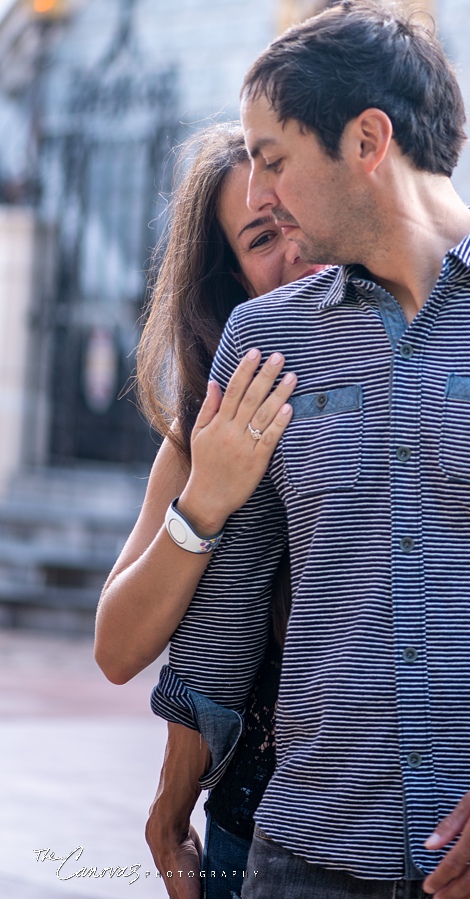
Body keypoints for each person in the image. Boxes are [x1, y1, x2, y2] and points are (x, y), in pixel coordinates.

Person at [148, 2, 470, 897]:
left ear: (367, 140)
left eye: (274, 159)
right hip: (307, 857)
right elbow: (230, 611)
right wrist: (171, 800)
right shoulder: (261, 337)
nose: (259, 193)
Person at [95, 122, 321, 897]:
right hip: (245, 823)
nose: (297, 248)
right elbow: (118, 648)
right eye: (263, 236)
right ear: (234, 284)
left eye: (302, 216)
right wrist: (207, 498)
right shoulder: (206, 437)